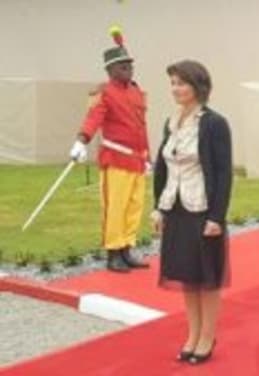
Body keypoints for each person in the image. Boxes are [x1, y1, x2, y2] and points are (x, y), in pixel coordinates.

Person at [152, 60, 233, 364]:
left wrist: (217, 217)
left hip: (202, 210)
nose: (175, 89)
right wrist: (158, 207)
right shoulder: (171, 122)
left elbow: (224, 174)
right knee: (187, 275)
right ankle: (192, 333)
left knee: (206, 277)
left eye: (181, 83)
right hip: (176, 208)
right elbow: (163, 168)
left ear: (198, 86)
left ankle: (207, 336)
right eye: (172, 83)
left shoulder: (214, 123)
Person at [69, 26, 150, 273]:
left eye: (130, 65)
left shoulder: (136, 91)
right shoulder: (103, 92)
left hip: (137, 159)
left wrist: (148, 155)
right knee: (115, 206)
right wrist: (82, 139)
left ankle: (127, 247)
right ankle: (113, 252)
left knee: (134, 206)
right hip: (116, 159)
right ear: (110, 70)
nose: (128, 70)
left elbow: (141, 126)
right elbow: (94, 117)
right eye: (123, 66)